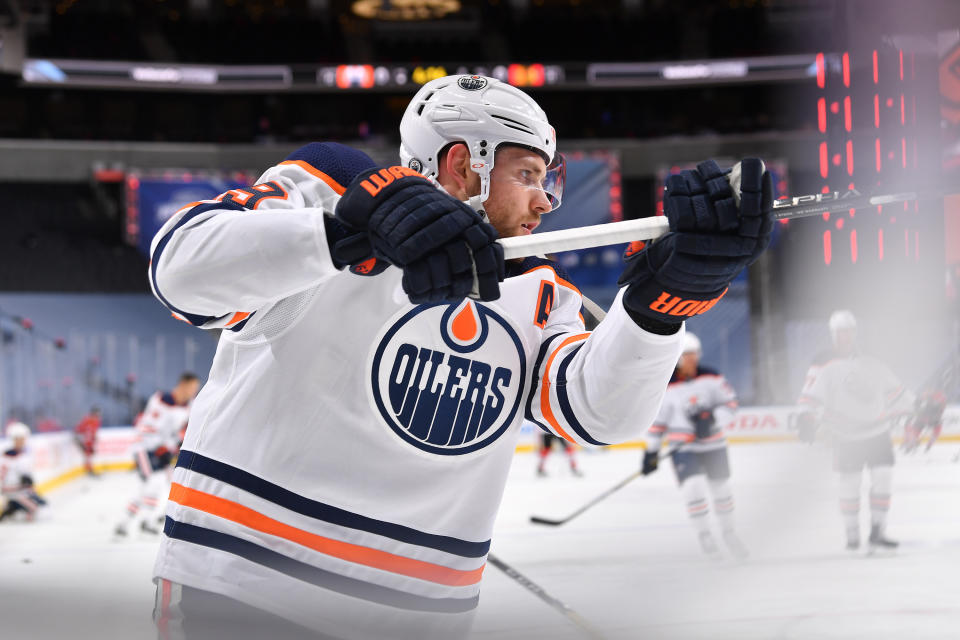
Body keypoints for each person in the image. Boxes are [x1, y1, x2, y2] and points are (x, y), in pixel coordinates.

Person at [146, 74, 773, 639]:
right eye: (528, 175)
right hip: (243, 593)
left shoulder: (534, 287)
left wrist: (661, 307)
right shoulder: (333, 187)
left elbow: (601, 414)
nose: (546, 201)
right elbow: (180, 270)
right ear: (462, 164)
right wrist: (353, 230)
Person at [796, 310, 913, 552]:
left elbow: (895, 390)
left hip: (878, 431)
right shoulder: (822, 361)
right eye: (839, 332)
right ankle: (852, 534)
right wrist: (805, 416)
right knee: (850, 483)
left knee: (883, 478)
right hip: (845, 435)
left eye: (848, 332)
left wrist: (917, 406)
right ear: (832, 335)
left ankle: (878, 532)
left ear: (854, 333)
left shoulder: (870, 359)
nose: (844, 337)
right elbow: (809, 395)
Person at [640, 332, 747, 560]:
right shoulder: (666, 386)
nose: (692, 359)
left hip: (714, 445)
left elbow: (731, 403)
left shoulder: (711, 377)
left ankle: (729, 532)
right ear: (678, 358)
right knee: (694, 487)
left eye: (694, 355)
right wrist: (651, 452)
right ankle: (705, 534)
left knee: (722, 490)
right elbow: (657, 423)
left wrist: (713, 420)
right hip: (685, 449)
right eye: (687, 355)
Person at [115, 372, 199, 537]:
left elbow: (181, 430)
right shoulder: (160, 400)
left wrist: (175, 445)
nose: (193, 391)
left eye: (196, 388)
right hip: (145, 448)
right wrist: (160, 447)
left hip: (163, 450)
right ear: (182, 384)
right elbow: (147, 426)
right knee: (154, 482)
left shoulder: (190, 406)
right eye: (192, 387)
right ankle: (145, 521)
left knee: (160, 483)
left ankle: (127, 523)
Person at [0, 422, 47, 522]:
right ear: (14, 439)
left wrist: (28, 484)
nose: (23, 441)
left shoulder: (20, 454)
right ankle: (12, 507)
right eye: (20, 438)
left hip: (21, 489)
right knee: (39, 512)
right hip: (13, 491)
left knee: (43, 505)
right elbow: (6, 478)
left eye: (23, 438)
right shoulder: (9, 456)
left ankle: (13, 506)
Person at [901, 389, 947, 454]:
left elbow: (940, 410)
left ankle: (914, 443)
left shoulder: (936, 397)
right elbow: (917, 406)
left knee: (917, 429)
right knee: (915, 429)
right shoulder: (929, 397)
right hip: (925, 417)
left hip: (930, 418)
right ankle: (911, 443)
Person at [74, 406, 102, 476]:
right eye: (97, 414)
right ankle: (89, 469)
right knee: (88, 454)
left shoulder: (96, 421)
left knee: (89, 455)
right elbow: (81, 430)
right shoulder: (87, 420)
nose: (98, 415)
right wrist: (83, 442)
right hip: (86, 441)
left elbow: (93, 432)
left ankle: (89, 469)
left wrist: (94, 438)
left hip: (90, 441)